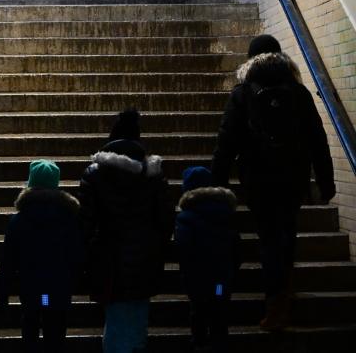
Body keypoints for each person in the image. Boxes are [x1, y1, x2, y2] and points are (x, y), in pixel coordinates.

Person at [211, 45, 335, 330]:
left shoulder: (242, 94)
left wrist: (217, 183)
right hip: (293, 177)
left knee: (267, 237)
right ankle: (284, 295)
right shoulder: (299, 92)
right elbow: (318, 139)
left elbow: (226, 142)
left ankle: (274, 303)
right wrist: (325, 181)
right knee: (287, 231)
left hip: (258, 179)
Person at [78, 109, 174, 353]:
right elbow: (166, 220)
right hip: (145, 258)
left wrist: (84, 254)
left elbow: (86, 222)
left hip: (109, 259)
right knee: (138, 320)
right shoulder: (154, 175)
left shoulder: (95, 174)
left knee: (116, 321)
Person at [0, 159, 83, 353]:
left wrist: (3, 292)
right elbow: (77, 254)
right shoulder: (69, 218)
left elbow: (8, 258)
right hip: (58, 287)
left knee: (31, 327)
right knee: (55, 330)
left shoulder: (19, 220)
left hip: (32, 287)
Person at [175, 166, 241, 353]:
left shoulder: (185, 218)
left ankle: (200, 343)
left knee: (198, 311)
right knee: (219, 309)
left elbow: (184, 250)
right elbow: (236, 246)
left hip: (197, 281)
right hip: (221, 279)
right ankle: (220, 343)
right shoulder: (226, 213)